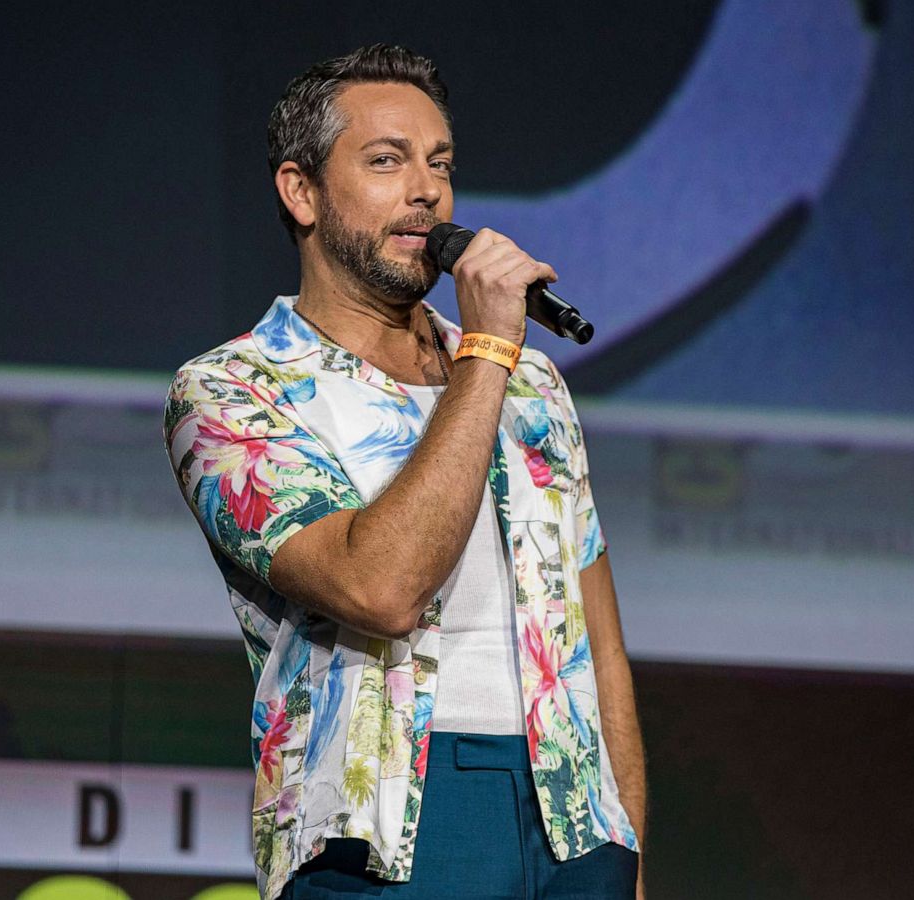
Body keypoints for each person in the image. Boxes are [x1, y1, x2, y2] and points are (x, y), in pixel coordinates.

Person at [164, 44, 645, 900]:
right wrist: (489, 350)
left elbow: (599, 646)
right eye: (386, 161)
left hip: (576, 821)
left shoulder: (532, 385)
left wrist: (625, 847)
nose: (427, 189)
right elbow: (379, 586)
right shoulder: (233, 391)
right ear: (300, 191)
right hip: (388, 826)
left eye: (440, 164)